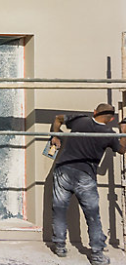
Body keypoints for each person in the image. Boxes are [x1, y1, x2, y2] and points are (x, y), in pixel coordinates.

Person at [49, 103, 126, 265]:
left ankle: (60, 246)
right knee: (92, 215)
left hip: (64, 169)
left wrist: (55, 136)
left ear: (95, 112)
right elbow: (121, 150)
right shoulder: (109, 133)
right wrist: (124, 131)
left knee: (59, 208)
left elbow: (58, 118)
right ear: (111, 119)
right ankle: (97, 255)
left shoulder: (80, 120)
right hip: (85, 176)